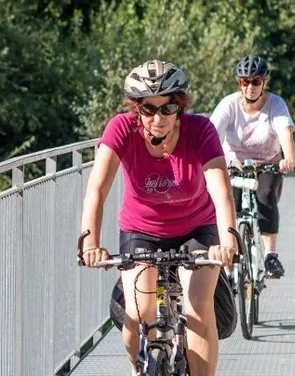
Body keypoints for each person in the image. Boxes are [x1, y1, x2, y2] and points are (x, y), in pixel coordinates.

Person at [78, 60, 238, 376]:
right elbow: (97, 188)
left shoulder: (200, 130)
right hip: (141, 230)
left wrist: (229, 239)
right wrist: (90, 242)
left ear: (180, 106)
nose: (158, 118)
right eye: (148, 110)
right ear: (136, 109)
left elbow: (220, 190)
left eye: (167, 109)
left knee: (197, 307)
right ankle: (141, 368)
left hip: (198, 228)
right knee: (138, 313)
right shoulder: (121, 129)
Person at [209, 56, 295, 278]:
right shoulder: (229, 104)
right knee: (227, 204)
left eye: (255, 82)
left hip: (267, 163)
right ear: (239, 83)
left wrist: (288, 158)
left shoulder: (275, 104)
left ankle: (270, 256)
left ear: (264, 83)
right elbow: (211, 135)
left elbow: (284, 132)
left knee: (266, 195)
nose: (249, 87)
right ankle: (228, 267)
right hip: (234, 163)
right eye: (244, 82)